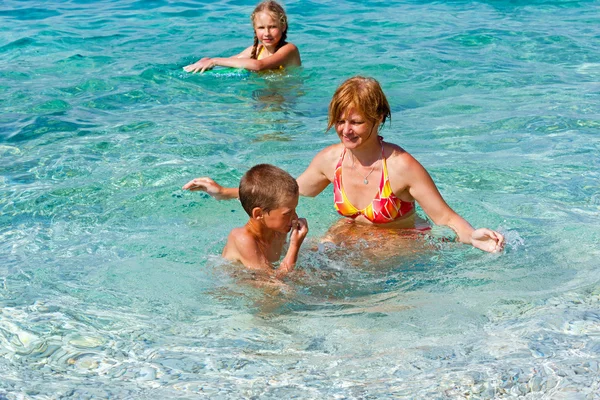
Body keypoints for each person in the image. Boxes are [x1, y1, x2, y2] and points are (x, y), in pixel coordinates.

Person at [183, 76, 504, 253]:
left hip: (395, 247)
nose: (345, 130)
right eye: (339, 121)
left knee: (322, 283)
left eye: (356, 122)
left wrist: (473, 235)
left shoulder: (401, 165)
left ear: (378, 119)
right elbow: (280, 196)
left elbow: (444, 217)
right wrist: (223, 191)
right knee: (291, 272)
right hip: (345, 240)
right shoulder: (330, 160)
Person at [217, 164, 308, 279]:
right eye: (287, 213)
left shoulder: (279, 230)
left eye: (295, 209)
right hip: (236, 287)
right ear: (259, 214)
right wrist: (295, 245)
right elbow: (272, 283)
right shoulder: (242, 239)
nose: (295, 217)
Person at [183, 0, 301, 74]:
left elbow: (259, 66)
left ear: (283, 27)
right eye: (261, 28)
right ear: (254, 29)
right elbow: (232, 60)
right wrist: (207, 60)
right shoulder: (256, 50)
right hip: (263, 94)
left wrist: (214, 61)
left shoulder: (289, 49)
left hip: (286, 98)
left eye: (272, 27)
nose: (266, 33)